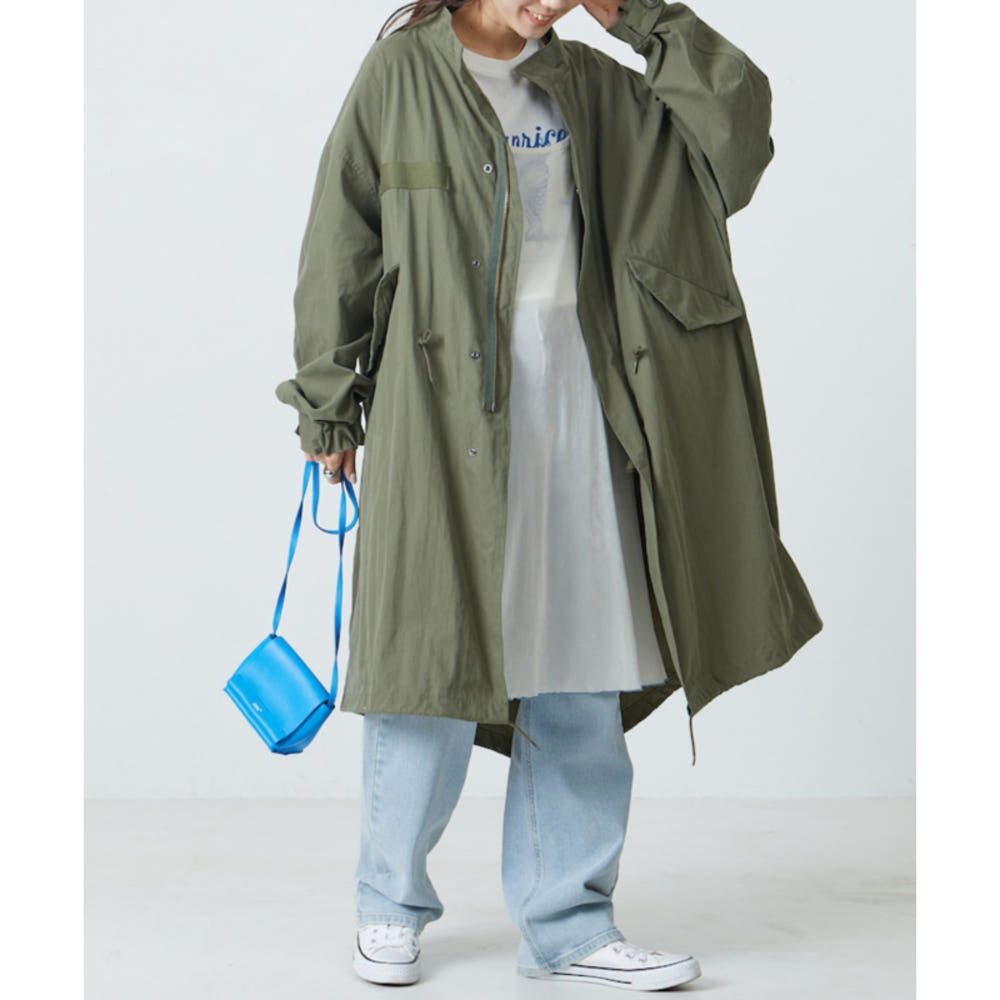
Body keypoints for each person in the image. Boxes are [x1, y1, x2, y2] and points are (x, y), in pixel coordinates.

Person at [275, 0, 824, 990]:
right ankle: (388, 905)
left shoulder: (596, 87)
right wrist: (329, 405)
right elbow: (341, 240)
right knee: (427, 666)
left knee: (580, 659)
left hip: (582, 406)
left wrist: (645, 20)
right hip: (439, 415)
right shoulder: (400, 77)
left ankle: (568, 920)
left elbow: (734, 142)